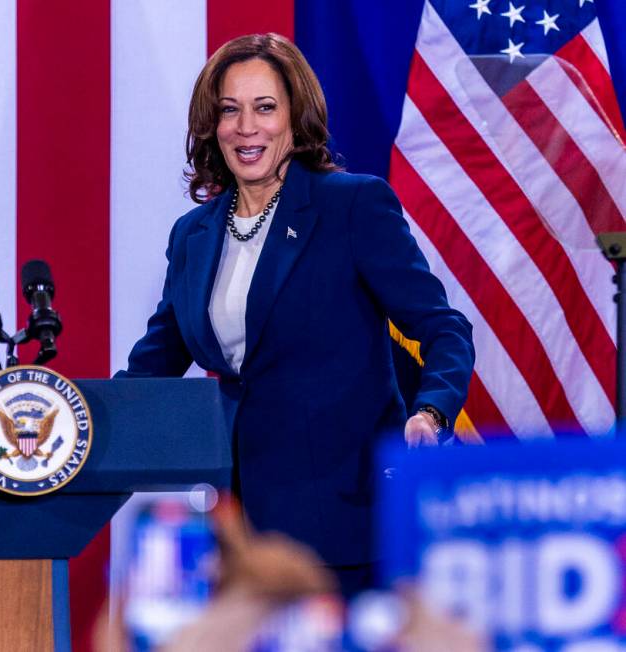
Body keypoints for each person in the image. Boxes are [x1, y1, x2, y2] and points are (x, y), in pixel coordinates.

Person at [116, 33, 474, 596]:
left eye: (265, 108)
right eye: (229, 110)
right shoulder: (194, 234)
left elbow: (443, 327)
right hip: (234, 529)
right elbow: (151, 369)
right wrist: (80, 421)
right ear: (212, 125)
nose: (246, 127)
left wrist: (430, 412)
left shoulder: (352, 206)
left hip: (343, 517)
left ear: (295, 118)